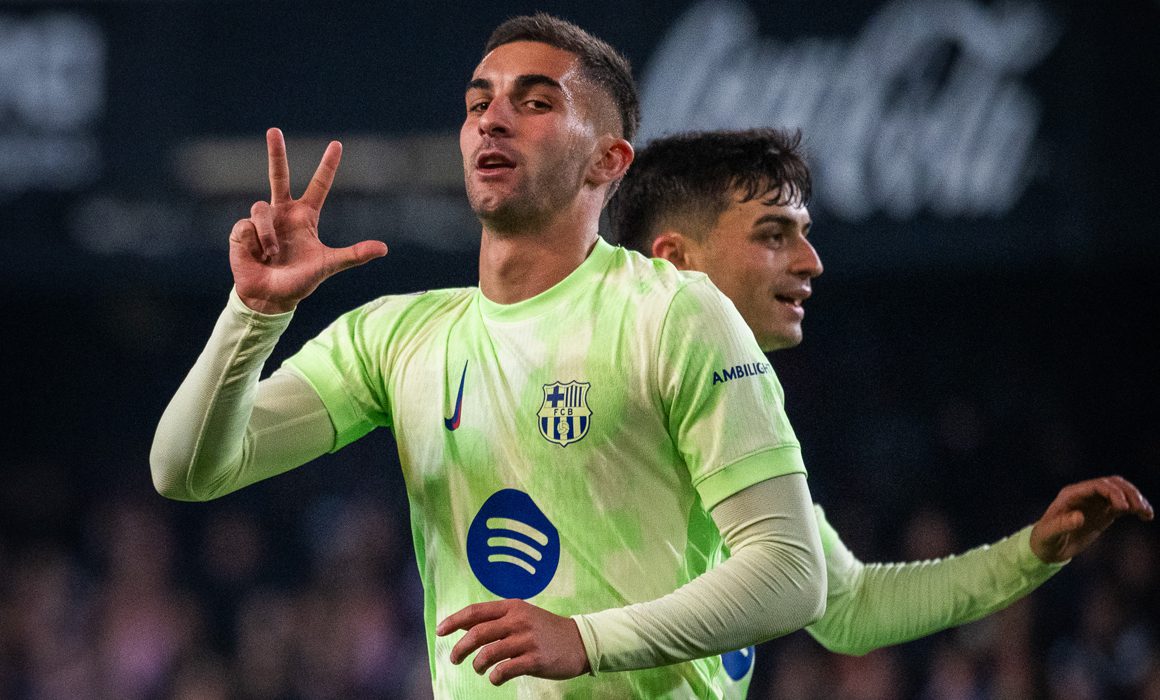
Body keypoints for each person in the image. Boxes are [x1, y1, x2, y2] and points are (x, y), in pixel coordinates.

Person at [151, 15, 830, 699]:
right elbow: (186, 470)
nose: (492, 120)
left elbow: (790, 572)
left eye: (535, 102)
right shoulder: (394, 337)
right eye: (479, 103)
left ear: (608, 160)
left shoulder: (674, 313)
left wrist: (585, 639)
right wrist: (254, 316)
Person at [608, 127, 1153, 682]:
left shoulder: (733, 420)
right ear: (675, 260)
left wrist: (1031, 551)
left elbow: (849, 607)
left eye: (805, 233)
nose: (811, 260)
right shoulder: (581, 400)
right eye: (774, 235)